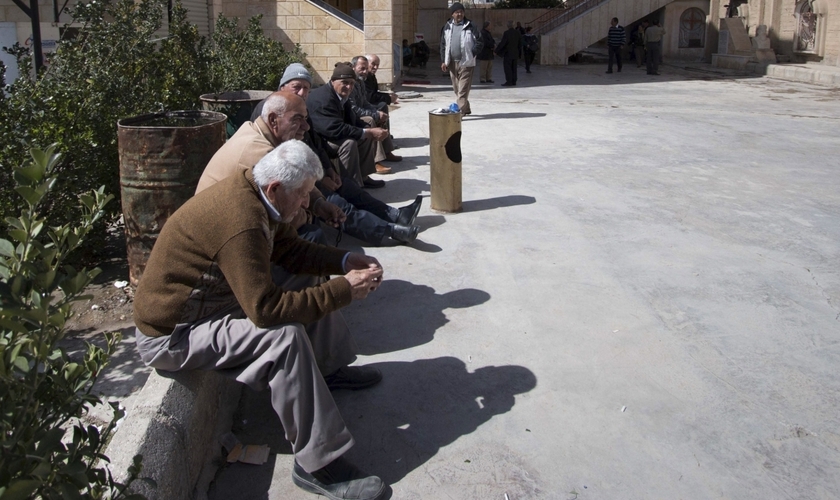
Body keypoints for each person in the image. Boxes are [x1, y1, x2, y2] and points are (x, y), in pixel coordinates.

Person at [134, 139, 389, 500]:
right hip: (174, 334)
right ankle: (317, 465)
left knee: (305, 280)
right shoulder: (240, 218)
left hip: (214, 304)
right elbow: (265, 310)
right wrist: (344, 290)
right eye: (302, 196)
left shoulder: (256, 191)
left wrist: (343, 262)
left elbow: (290, 250)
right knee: (283, 338)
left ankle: (327, 371)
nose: (306, 204)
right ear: (274, 188)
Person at [239, 71, 421, 246]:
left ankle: (396, 215)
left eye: (306, 88)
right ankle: (388, 231)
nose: (302, 92)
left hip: (308, 169)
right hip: (292, 179)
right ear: (282, 86)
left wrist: (329, 170)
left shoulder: (299, 109)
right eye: (296, 87)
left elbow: (316, 143)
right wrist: (319, 180)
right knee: (335, 202)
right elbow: (285, 164)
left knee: (348, 187)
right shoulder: (274, 111)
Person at [308, 62, 388, 189]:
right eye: (344, 82)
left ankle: (363, 177)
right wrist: (367, 132)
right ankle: (351, 187)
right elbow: (333, 129)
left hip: (333, 133)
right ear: (333, 81)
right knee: (349, 143)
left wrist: (369, 130)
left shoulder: (340, 95)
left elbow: (352, 119)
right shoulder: (323, 99)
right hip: (321, 140)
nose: (349, 87)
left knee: (366, 133)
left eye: (351, 83)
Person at [350, 55, 400, 174]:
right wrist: (375, 114)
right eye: (361, 68)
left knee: (380, 113)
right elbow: (353, 108)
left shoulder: (361, 81)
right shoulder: (350, 83)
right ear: (353, 68)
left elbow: (365, 102)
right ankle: (375, 161)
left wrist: (377, 112)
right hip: (350, 116)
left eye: (365, 68)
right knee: (370, 120)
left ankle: (387, 151)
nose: (364, 71)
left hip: (360, 111)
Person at [439, 2, 482, 115]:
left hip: (466, 63)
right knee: (457, 89)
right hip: (452, 62)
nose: (460, 14)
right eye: (457, 12)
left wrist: (472, 53)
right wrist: (444, 60)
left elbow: (480, 42)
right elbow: (443, 45)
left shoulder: (471, 25)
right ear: (452, 14)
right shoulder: (447, 26)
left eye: (461, 12)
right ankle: (466, 108)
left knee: (462, 90)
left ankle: (459, 113)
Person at [496, 20, 522, 87]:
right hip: (515, 53)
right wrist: (519, 53)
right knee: (514, 68)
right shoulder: (518, 32)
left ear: (508, 26)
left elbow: (503, 43)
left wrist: (496, 51)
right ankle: (514, 81)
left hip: (508, 53)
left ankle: (509, 81)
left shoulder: (506, 33)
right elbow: (520, 44)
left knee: (508, 68)